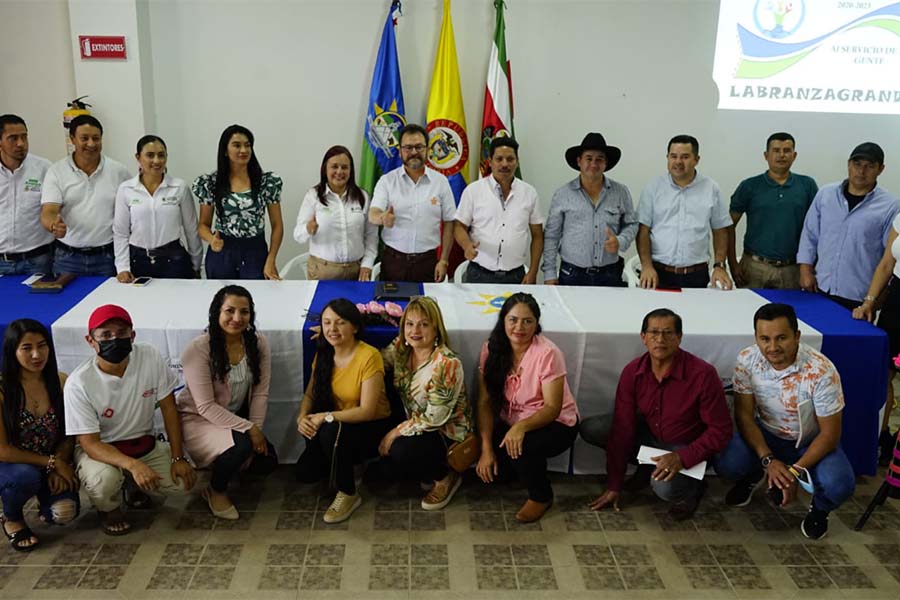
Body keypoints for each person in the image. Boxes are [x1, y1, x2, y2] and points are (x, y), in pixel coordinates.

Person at [718, 303, 855, 540]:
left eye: (781, 338)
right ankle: (754, 475)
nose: (772, 347)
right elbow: (744, 415)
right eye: (765, 338)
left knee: (839, 484)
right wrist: (768, 459)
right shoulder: (747, 359)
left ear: (797, 336)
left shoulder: (821, 371)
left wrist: (793, 472)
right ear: (756, 338)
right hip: (767, 433)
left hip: (810, 440)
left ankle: (820, 509)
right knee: (728, 462)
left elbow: (830, 434)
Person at [587, 309, 732, 520]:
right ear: (643, 337)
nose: (660, 339)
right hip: (651, 437)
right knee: (596, 428)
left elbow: (721, 430)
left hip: (686, 445)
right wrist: (614, 485)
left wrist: (683, 457)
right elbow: (622, 428)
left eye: (668, 333)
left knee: (665, 489)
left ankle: (694, 488)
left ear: (679, 337)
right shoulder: (633, 371)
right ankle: (647, 468)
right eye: (654, 333)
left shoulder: (702, 374)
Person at [64, 304, 195, 535]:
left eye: (121, 333)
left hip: (142, 444)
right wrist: (134, 466)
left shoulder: (149, 356)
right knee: (104, 481)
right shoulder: (79, 383)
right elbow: (89, 443)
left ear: (132, 336)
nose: (114, 339)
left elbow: (169, 409)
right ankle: (109, 509)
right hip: (102, 451)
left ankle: (132, 484)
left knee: (182, 484)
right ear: (90, 340)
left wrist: (178, 457)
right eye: (105, 335)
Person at [475, 293, 579, 523]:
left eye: (527, 321)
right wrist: (485, 449)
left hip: (554, 422)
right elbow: (483, 402)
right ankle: (517, 469)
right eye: (513, 320)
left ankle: (541, 496)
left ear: (536, 323)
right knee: (490, 463)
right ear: (503, 320)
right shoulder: (491, 349)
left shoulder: (548, 353)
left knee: (522, 446)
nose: (519, 327)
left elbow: (553, 407)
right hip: (510, 418)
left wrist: (521, 427)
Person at [177, 286, 277, 520]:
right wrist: (250, 430)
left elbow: (261, 393)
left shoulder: (259, 343)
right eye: (229, 311)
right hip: (199, 419)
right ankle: (216, 490)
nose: (237, 318)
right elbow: (205, 406)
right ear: (216, 313)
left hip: (233, 418)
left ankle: (227, 464)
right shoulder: (199, 348)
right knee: (241, 447)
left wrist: (256, 429)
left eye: (244, 312)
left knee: (267, 461)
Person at [296, 299, 392, 523]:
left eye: (340, 323)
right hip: (340, 423)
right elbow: (310, 394)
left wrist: (325, 417)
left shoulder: (369, 356)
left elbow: (367, 411)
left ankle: (348, 492)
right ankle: (350, 463)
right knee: (306, 473)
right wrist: (302, 417)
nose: (332, 329)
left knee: (330, 430)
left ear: (355, 327)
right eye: (327, 323)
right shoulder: (324, 353)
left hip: (371, 425)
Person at [378, 297, 472, 510]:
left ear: (436, 328)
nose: (415, 330)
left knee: (401, 450)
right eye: (409, 324)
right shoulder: (402, 347)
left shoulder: (447, 363)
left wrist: (394, 433)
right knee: (384, 472)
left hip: (444, 431)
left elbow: (434, 418)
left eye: (424, 324)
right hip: (414, 422)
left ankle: (445, 477)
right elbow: (376, 362)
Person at [0, 319, 80, 551]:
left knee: (64, 513)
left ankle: (44, 502)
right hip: (12, 464)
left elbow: (69, 432)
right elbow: (3, 450)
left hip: (49, 461)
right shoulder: (3, 391)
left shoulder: (61, 381)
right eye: (27, 348)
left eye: (42, 345)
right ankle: (12, 517)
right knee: (24, 478)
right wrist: (52, 463)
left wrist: (60, 462)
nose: (37, 354)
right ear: (12, 351)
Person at [798, 142, 899, 309]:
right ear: (848, 164)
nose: (861, 171)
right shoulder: (825, 195)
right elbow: (810, 235)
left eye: (870, 166)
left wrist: (875, 297)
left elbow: (889, 257)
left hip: (858, 296)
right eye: (857, 164)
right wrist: (805, 269)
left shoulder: (891, 206)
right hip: (819, 287)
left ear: (881, 169)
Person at [637, 135, 733, 290]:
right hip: (659, 273)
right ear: (667, 158)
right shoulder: (653, 188)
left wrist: (720, 266)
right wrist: (646, 266)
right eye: (673, 156)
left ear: (697, 159)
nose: (678, 162)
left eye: (685, 157)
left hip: (697, 274)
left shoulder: (711, 188)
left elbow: (720, 230)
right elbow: (643, 230)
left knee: (697, 314)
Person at [40, 115, 130, 276]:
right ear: (73, 139)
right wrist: (53, 225)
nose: (91, 144)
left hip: (108, 257)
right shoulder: (57, 171)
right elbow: (49, 210)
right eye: (84, 138)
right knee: (66, 301)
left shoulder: (119, 171)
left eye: (96, 138)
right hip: (68, 258)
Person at [543, 132, 637, 286]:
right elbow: (551, 236)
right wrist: (549, 273)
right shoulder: (562, 194)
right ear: (579, 161)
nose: (594, 164)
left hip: (609, 274)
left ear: (606, 163)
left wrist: (620, 241)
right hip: (572, 274)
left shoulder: (621, 192)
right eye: (589, 158)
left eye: (599, 159)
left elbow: (631, 224)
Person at [193, 124, 284, 280]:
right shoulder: (211, 183)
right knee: (223, 301)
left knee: (257, 299)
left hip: (255, 251)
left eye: (247, 145)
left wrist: (271, 259)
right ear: (225, 151)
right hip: (222, 252)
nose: (243, 150)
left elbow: (277, 225)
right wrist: (211, 239)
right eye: (237, 145)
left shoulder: (266, 182)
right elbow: (202, 225)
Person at [727, 132, 818, 289]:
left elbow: (816, 229)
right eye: (776, 150)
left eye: (786, 151)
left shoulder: (807, 185)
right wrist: (732, 263)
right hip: (754, 268)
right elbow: (728, 227)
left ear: (794, 155)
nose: (781, 155)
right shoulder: (749, 186)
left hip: (792, 269)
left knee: (790, 312)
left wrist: (809, 268)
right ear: (766, 155)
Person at [368, 123, 456, 282]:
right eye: (408, 148)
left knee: (426, 306)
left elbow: (450, 222)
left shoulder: (440, 182)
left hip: (428, 262)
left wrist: (443, 260)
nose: (414, 152)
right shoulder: (387, 181)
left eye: (419, 147)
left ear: (428, 150)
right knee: (391, 306)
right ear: (400, 151)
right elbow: (372, 214)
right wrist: (382, 218)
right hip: (394, 262)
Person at [454, 137, 543, 284]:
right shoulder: (474, 191)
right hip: (479, 274)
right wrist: (467, 245)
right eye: (499, 159)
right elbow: (459, 226)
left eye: (510, 159)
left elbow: (538, 235)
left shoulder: (529, 193)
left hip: (516, 276)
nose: (505, 164)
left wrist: (533, 271)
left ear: (517, 161)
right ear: (490, 161)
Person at [113, 135, 202, 282]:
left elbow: (191, 230)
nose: (156, 161)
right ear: (138, 157)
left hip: (174, 261)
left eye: (161, 155)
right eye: (150, 155)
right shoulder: (126, 189)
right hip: (138, 261)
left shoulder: (179, 187)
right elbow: (120, 232)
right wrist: (122, 268)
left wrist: (196, 265)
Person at [852, 211, 900, 464]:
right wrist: (869, 301)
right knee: (886, 373)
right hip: (897, 301)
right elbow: (886, 263)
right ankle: (882, 438)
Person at [293, 145, 377, 280]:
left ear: (351, 170)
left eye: (344, 167)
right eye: (334, 167)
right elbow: (297, 235)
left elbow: (371, 235)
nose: (339, 172)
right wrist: (308, 229)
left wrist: (367, 264)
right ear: (325, 169)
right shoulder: (313, 196)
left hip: (356, 271)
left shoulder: (362, 196)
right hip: (322, 271)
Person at [0, 114, 54, 275]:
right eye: (13, 138)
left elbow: (52, 209)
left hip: (38, 260)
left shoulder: (44, 168)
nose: (21, 144)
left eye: (24, 137)